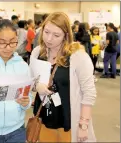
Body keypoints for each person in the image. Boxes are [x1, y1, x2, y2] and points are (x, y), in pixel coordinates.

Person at [30, 12, 97, 142]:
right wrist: (37, 86)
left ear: (66, 35)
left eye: (56, 35)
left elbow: (89, 92)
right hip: (44, 119)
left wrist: (83, 125)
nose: (49, 39)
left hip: (69, 121)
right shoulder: (38, 52)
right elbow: (31, 80)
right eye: (46, 32)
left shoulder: (78, 56)